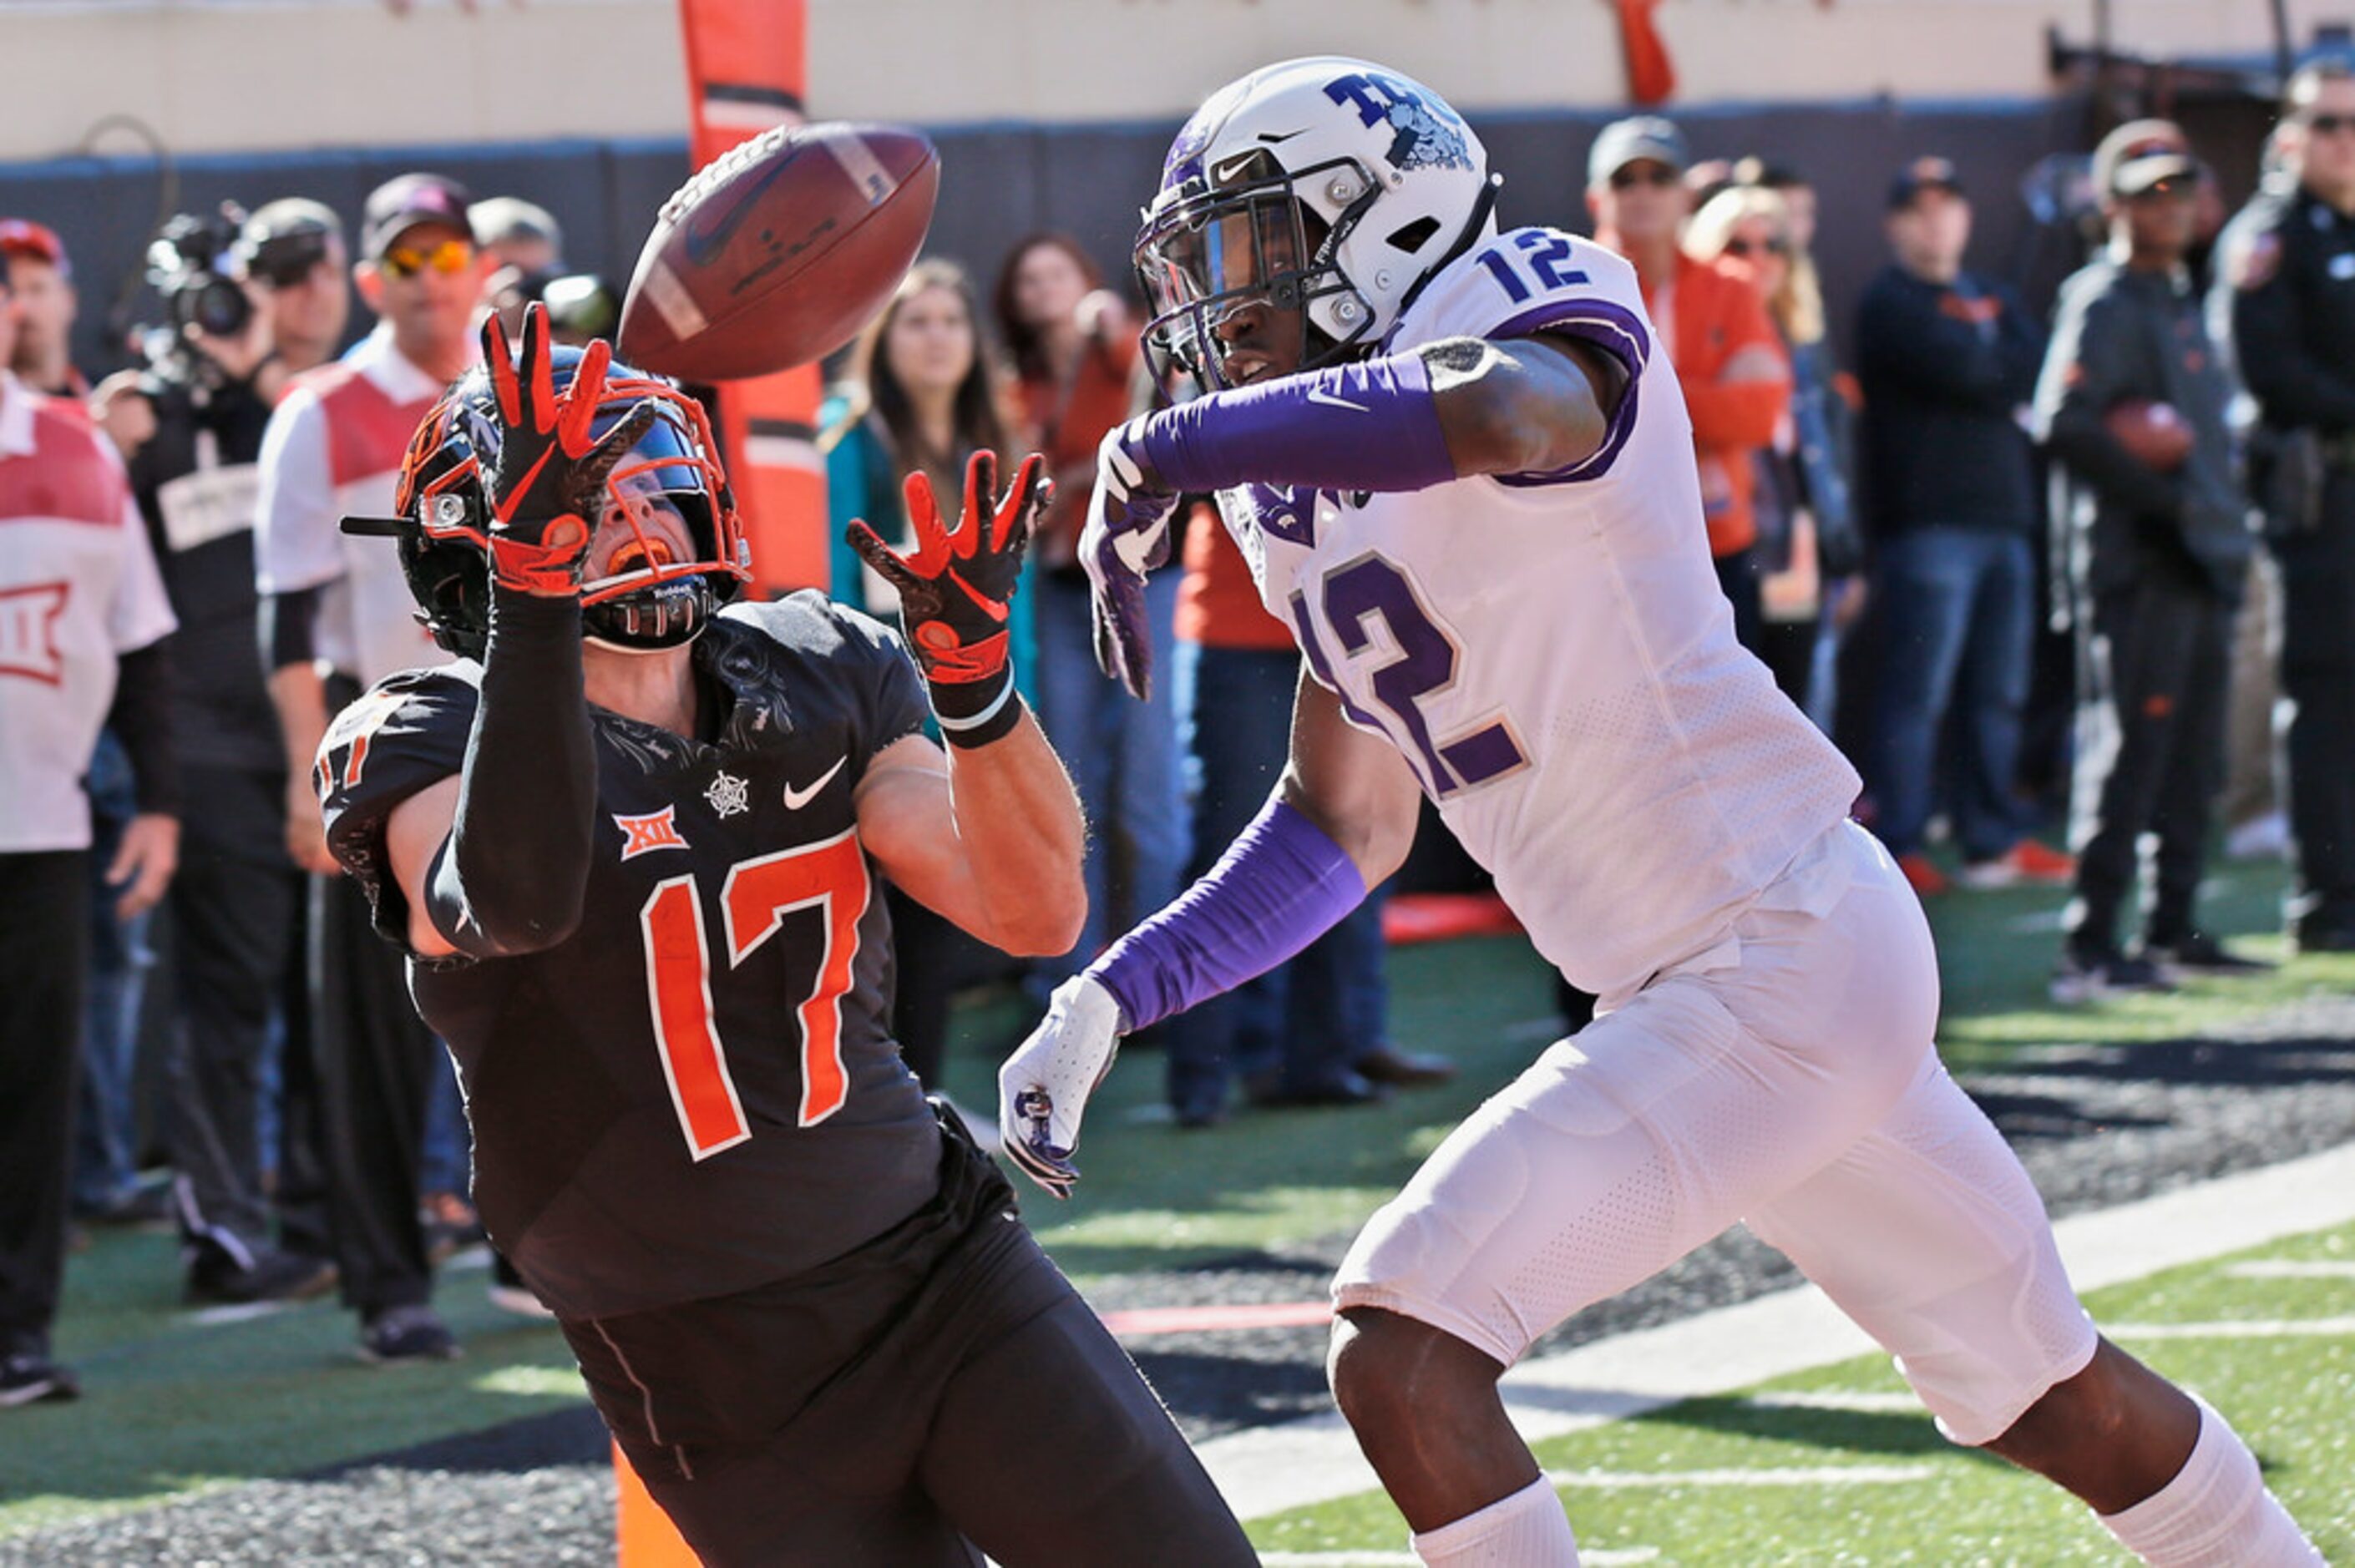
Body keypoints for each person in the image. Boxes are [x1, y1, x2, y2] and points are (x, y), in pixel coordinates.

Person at [999, 56, 2327, 1567]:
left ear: (1377, 221)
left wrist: (1183, 442)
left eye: (1252, 248)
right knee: (2052, 1393)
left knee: (1405, 1341)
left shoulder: (1527, 292)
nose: (1218, 305)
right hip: (1720, 977)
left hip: (1773, 940)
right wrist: (1116, 993)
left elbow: (1503, 413)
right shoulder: (1291, 472)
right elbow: (1343, 820)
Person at [319, 304, 1254, 1566]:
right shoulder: (416, 734)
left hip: (940, 1263)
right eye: (585, 510)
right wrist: (539, 604)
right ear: (479, 555)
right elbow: (512, 901)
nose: (637, 527)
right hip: (705, 1351)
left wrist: (980, 696)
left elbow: (1033, 906)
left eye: (647, 492)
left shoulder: (820, 664)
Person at [95, 200, 354, 1303]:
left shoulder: (306, 411)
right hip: (205, 753)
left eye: (291, 283)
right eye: (251, 288)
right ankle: (225, 1231)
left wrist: (259, 378)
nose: (265, 307)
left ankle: (324, 1211)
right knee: (231, 991)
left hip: (328, 739)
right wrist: (116, 426)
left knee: (326, 995)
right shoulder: (144, 420)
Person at [254, 169, 490, 1361]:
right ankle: (389, 1282)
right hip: (382, 745)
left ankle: (532, 1249)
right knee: (374, 1029)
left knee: (549, 1002)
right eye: (407, 260)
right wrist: (312, 775)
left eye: (447, 256)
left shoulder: (515, 394)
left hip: (521, 733)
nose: (431, 280)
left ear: (481, 264)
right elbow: (286, 617)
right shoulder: (321, 408)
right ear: (368, 279)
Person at [0, 249, 181, 1406]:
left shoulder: (77, 449)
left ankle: (19, 1330)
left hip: (46, 822)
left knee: (32, 1086)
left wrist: (159, 803)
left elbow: (145, 644)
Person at [2038, 123, 2267, 1001]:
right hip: (2140, 562)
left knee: (2191, 755)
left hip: (2201, 554)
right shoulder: (2102, 300)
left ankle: (2174, 928)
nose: (2166, 208)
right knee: (2129, 752)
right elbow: (2065, 422)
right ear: (2113, 206)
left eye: (2179, 191)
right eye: (2147, 193)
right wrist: (2166, 497)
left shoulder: (2179, 297)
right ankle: (2090, 946)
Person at [822, 259, 1028, 1107]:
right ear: (882, 339)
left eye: (951, 319)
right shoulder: (847, 435)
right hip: (875, 728)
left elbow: (1008, 614)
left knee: (939, 931)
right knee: (872, 937)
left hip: (969, 727)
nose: (936, 336)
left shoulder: (992, 442)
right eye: (915, 320)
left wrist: (1015, 723)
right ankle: (876, 1118)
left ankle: (924, 1106)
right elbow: (828, 590)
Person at [1857, 155, 2074, 896]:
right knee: (1919, 692)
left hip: (2006, 518)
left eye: (1947, 205)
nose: (1935, 220)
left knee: (1998, 688)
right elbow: (1980, 373)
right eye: (1918, 208)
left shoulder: (1991, 294)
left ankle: (1992, 839)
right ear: (1894, 224)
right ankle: (1902, 843)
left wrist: (1994, 366)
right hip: (1927, 525)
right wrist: (1995, 367)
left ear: (1967, 216)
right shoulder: (1888, 301)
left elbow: (2039, 367)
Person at [993, 234, 1188, 1006]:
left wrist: (1112, 323)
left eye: (1056, 274)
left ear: (1085, 279)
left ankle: (1161, 980)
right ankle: (1067, 982)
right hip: (1061, 592)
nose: (1042, 289)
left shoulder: (1120, 346)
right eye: (1027, 277)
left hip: (1146, 584)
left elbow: (1158, 381)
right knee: (1068, 786)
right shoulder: (1015, 386)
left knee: (1150, 786)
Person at [2213, 61, 2355, 952]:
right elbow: (2271, 373)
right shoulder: (2271, 236)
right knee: (2325, 692)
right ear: (2293, 135)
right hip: (2320, 495)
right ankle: (2328, 898)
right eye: (2329, 124)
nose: (2345, 140)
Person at [1584, 117, 1790, 652]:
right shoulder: (1571, 287)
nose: (1644, 192)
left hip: (1719, 545)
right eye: (1627, 179)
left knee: (1729, 725)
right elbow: (1582, 423)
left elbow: (1761, 414)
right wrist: (1708, 394)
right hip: (1607, 554)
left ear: (1685, 195)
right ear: (1596, 198)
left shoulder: (1732, 286)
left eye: (1660, 176)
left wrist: (1640, 393)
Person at [0, 218, 86, 397]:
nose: (20, 306)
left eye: (36, 289)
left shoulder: (99, 411)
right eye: (9, 294)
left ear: (69, 301)